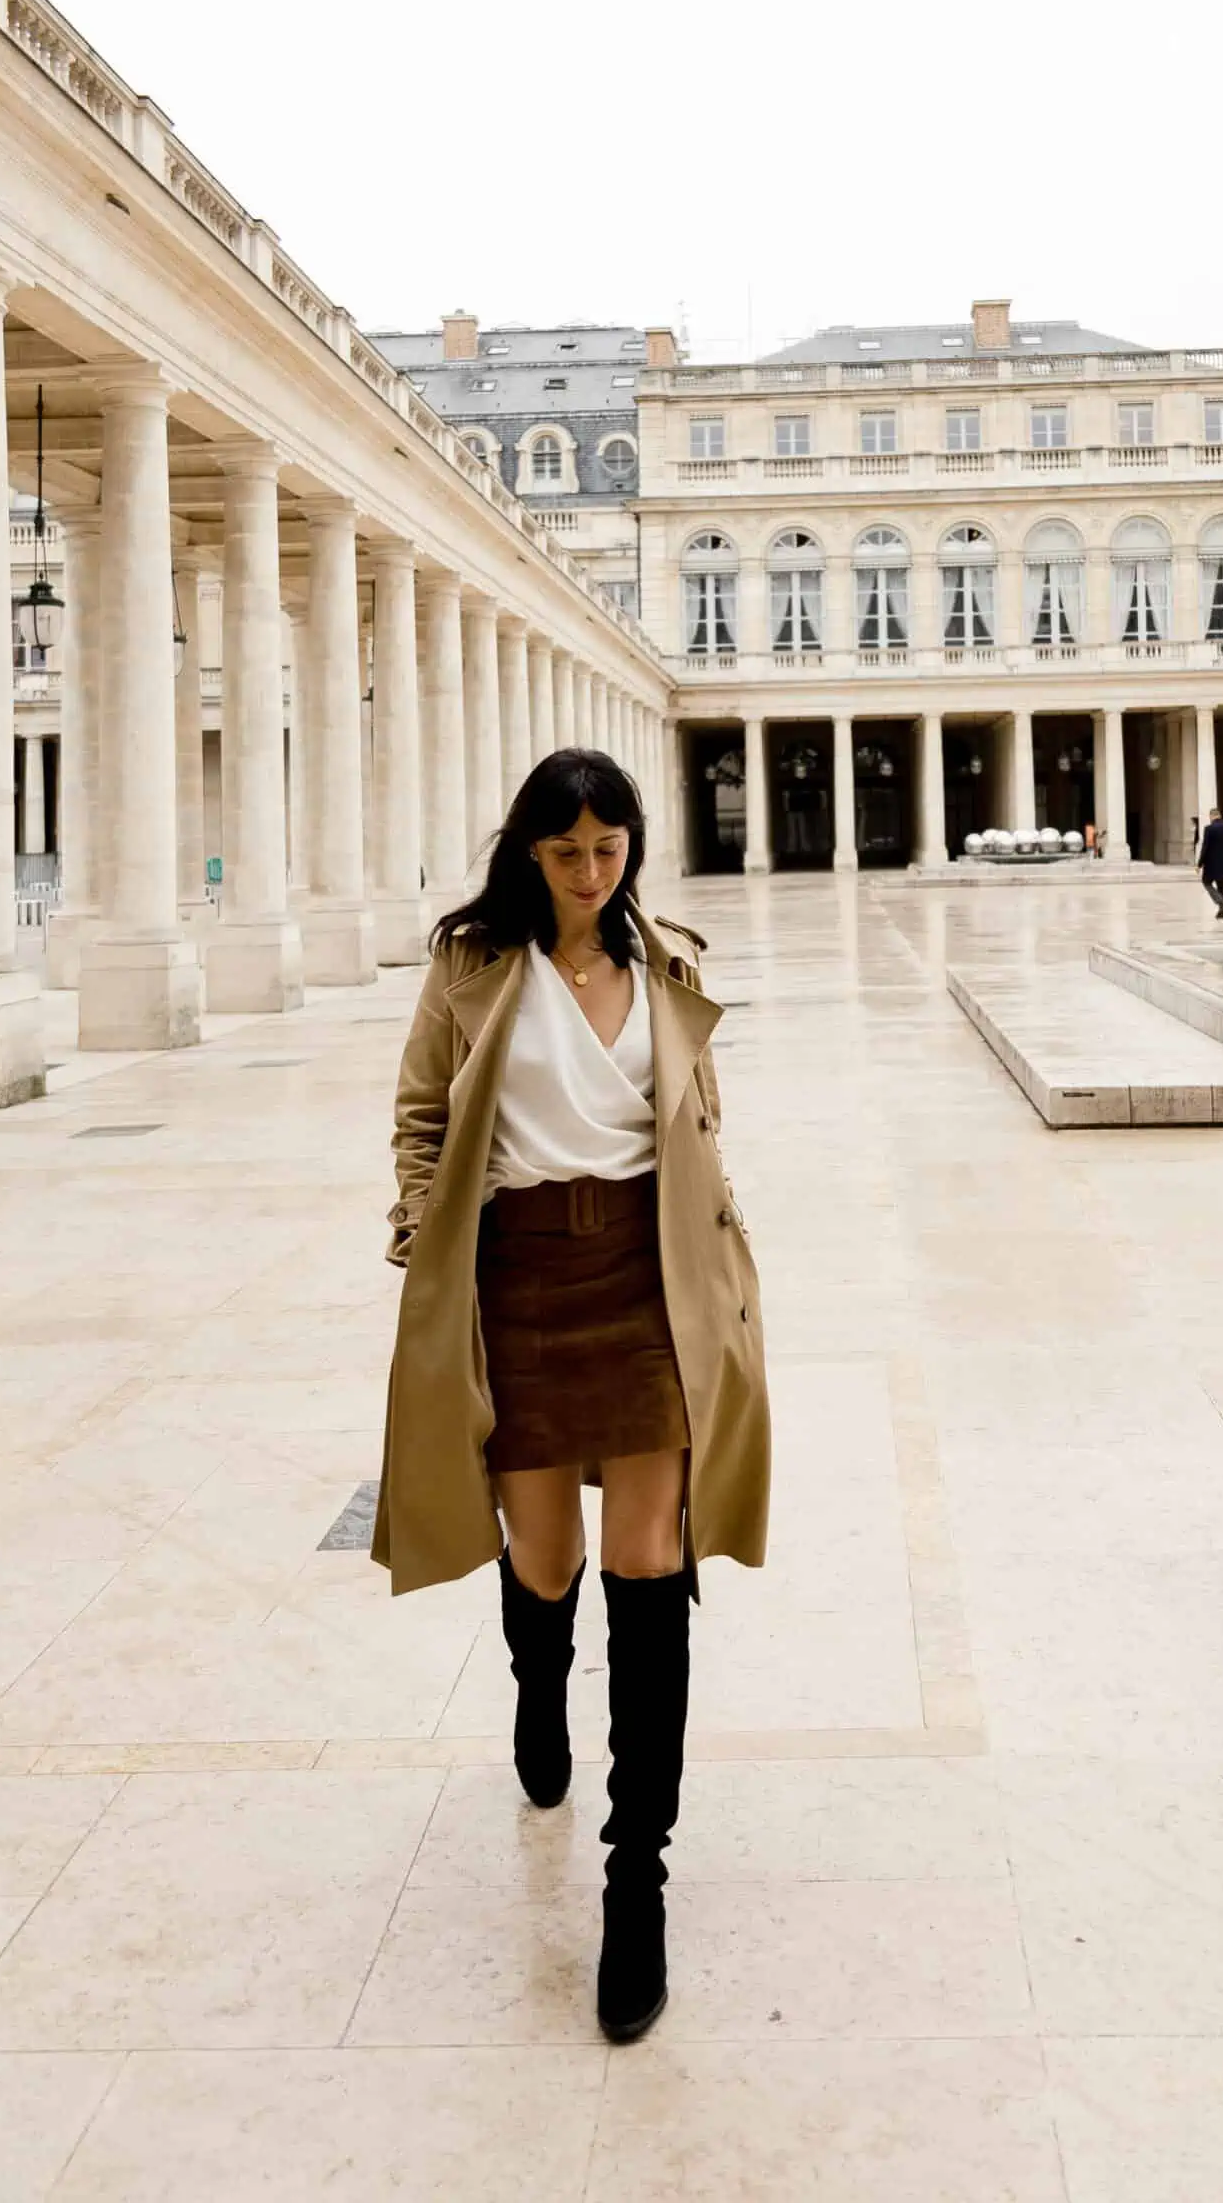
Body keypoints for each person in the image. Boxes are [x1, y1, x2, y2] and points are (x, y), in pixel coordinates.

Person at [374, 747, 771, 2044]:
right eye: (566, 854)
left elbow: (697, 1122)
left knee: (648, 1564)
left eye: (609, 851)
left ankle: (633, 1882)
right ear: (526, 853)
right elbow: (426, 1112)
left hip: (646, 1280)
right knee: (543, 1559)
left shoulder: (666, 963)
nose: (591, 875)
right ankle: (538, 1691)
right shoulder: (472, 966)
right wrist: (420, 1233)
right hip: (518, 1280)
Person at [1197, 805, 1223, 916]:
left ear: (1212, 816)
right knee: (1221, 885)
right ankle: (1221, 912)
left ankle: (1221, 902)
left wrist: (1199, 864)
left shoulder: (1209, 829)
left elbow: (1205, 847)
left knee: (1206, 882)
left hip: (1211, 863)